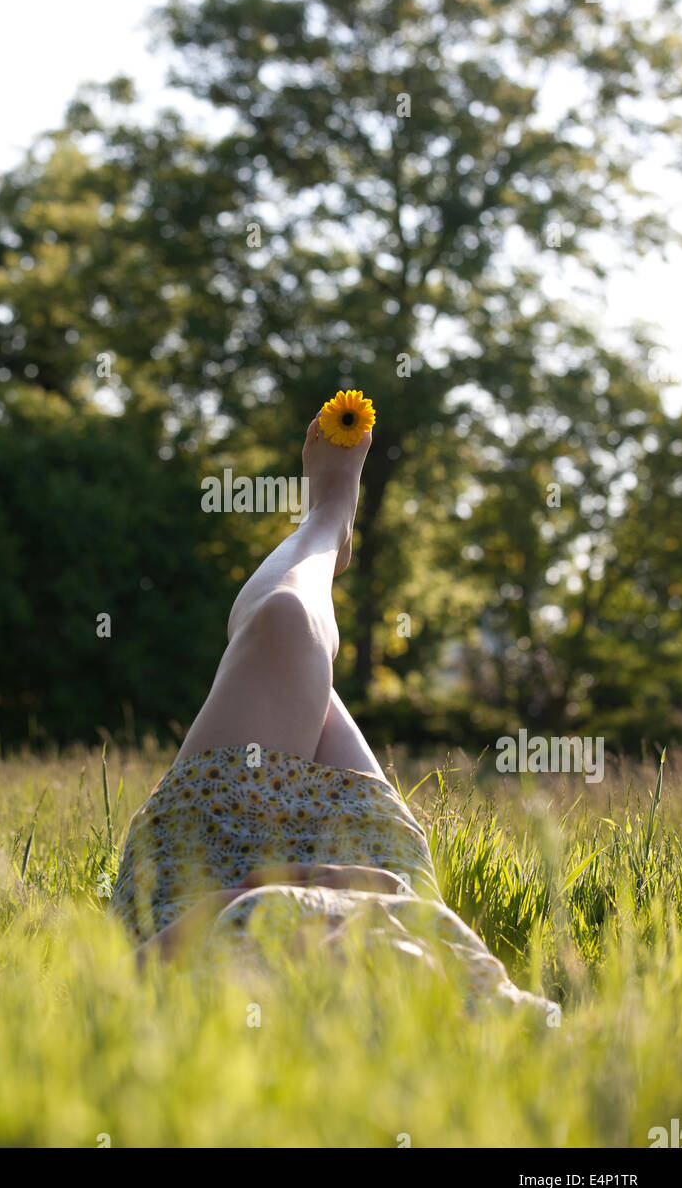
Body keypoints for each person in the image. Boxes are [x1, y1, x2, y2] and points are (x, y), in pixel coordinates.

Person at [111, 413, 557, 1018]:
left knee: (286, 626)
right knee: (288, 633)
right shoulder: (492, 1042)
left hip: (205, 871)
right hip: (369, 870)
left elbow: (115, 993)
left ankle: (326, 525)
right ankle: (328, 527)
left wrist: (245, 897)